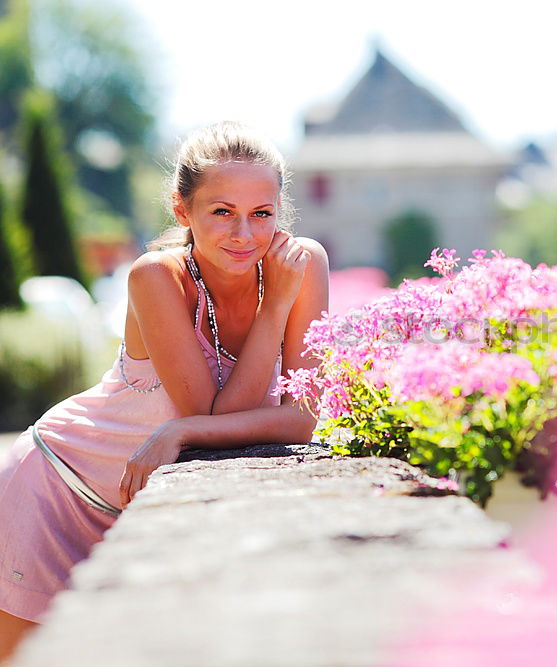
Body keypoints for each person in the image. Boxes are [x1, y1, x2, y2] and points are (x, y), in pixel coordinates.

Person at [0, 121, 329, 659]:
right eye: (222, 212)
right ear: (183, 211)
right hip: (55, 489)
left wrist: (179, 430)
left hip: (137, 507)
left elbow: (304, 416)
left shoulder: (301, 265)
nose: (244, 235)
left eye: (262, 214)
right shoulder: (156, 277)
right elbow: (215, 413)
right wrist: (275, 311)